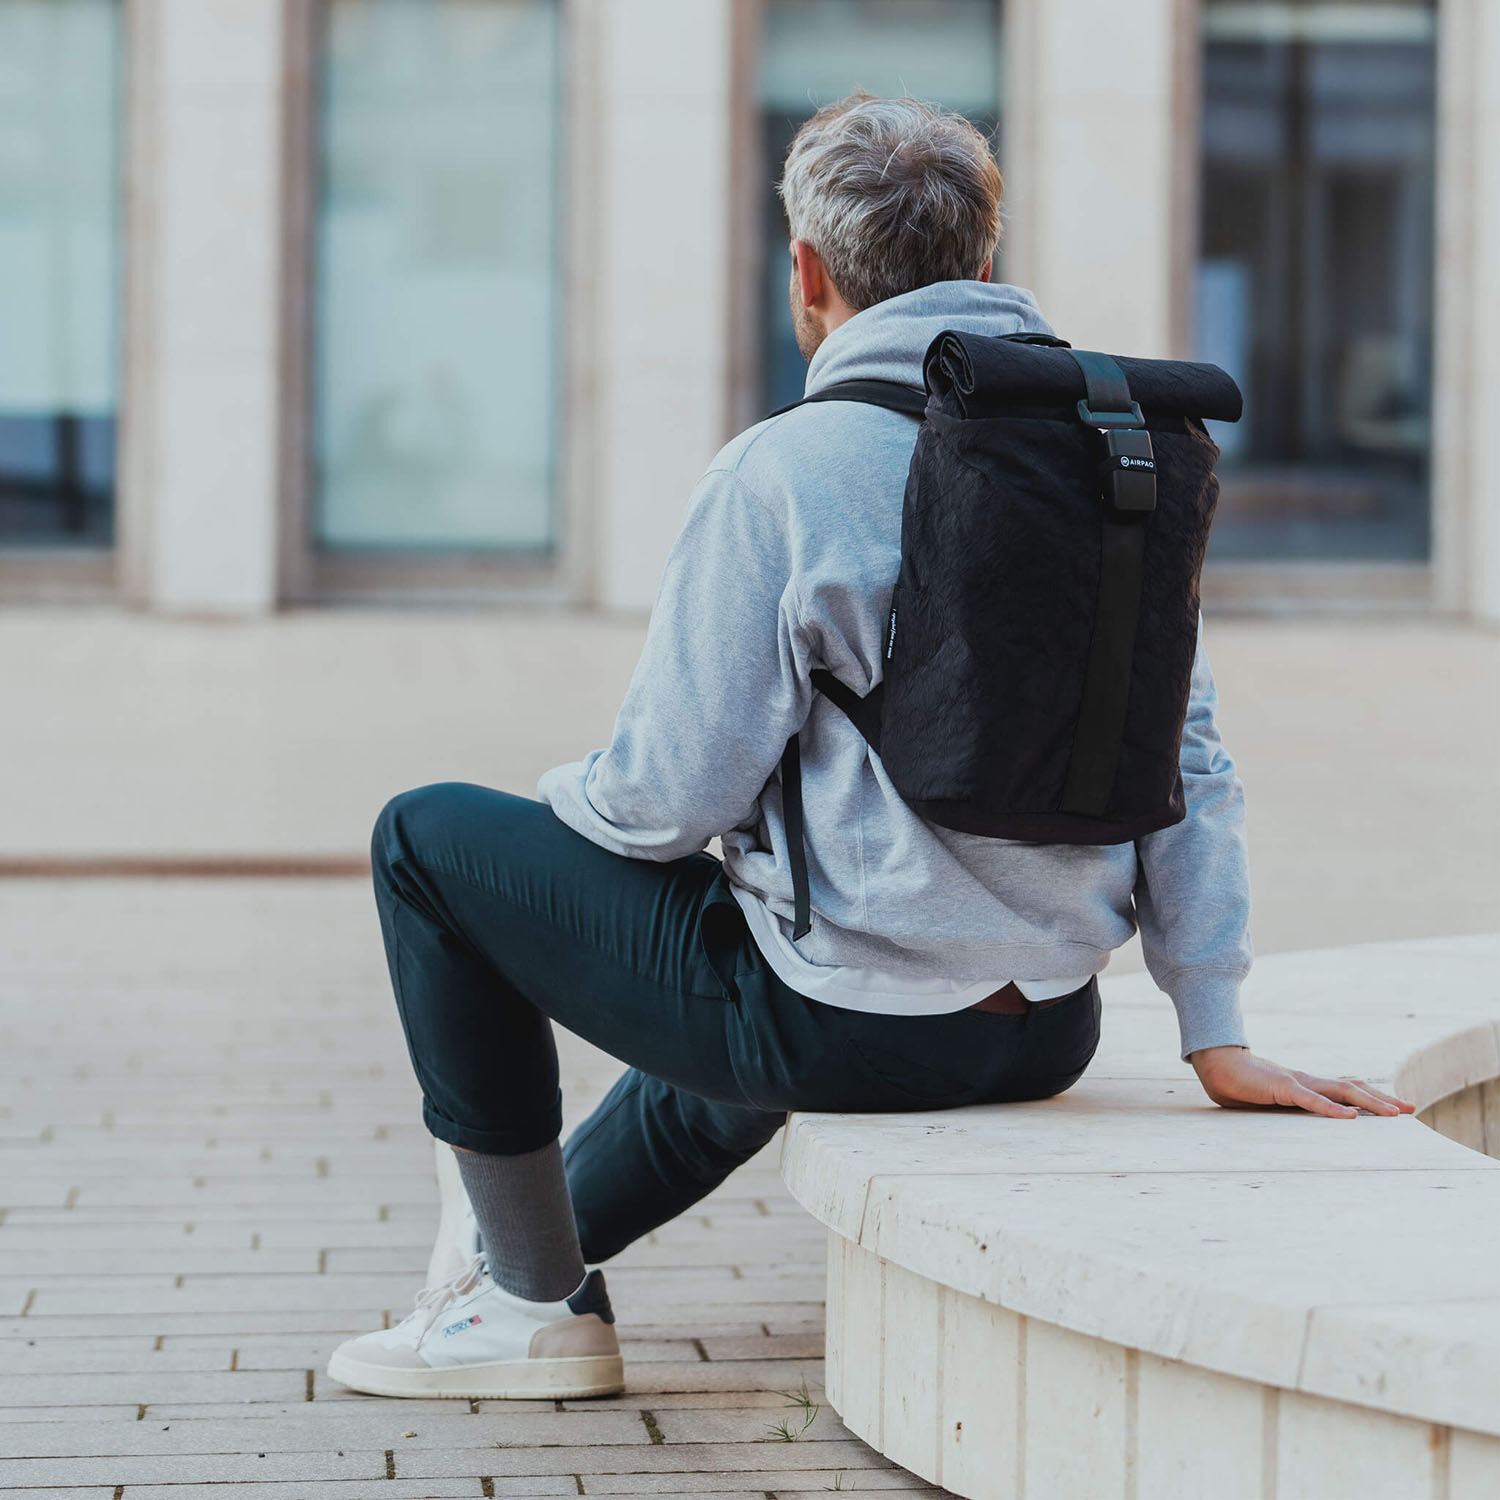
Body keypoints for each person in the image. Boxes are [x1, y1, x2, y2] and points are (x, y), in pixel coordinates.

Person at [326, 93, 1414, 1402]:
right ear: (987, 262)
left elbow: (664, 804)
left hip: (853, 1028)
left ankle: (525, 1318)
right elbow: (1191, 759)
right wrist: (1213, 1026)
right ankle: (522, 1276)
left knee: (431, 841)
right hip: (1047, 1025)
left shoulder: (782, 473)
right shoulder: (1118, 456)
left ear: (807, 273)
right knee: (758, 949)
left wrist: (566, 802)